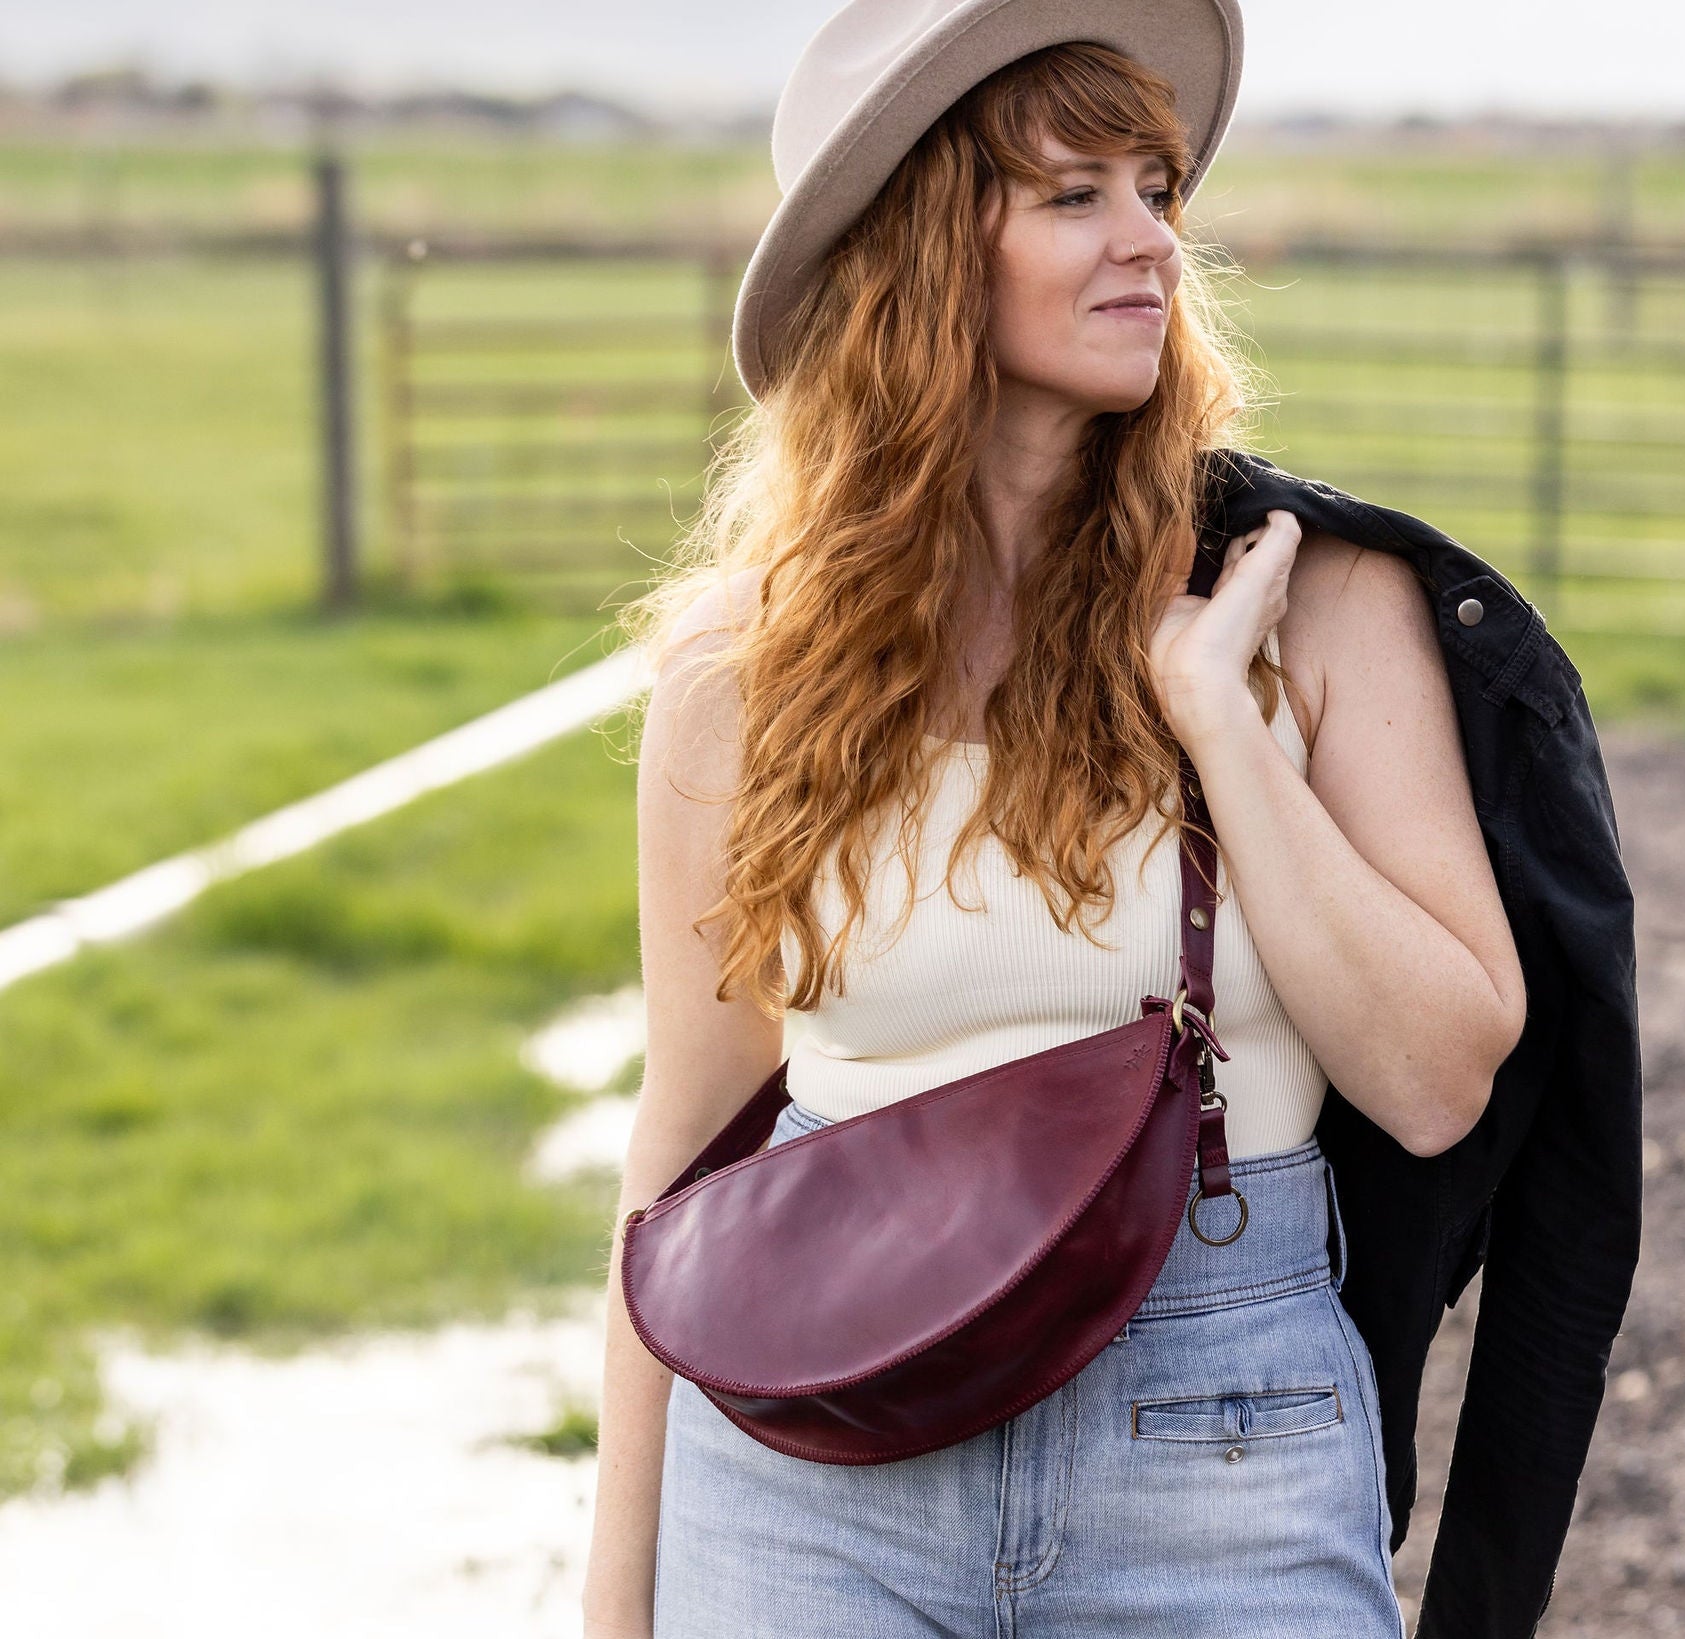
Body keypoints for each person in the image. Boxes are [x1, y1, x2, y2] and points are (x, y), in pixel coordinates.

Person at [585, 4, 1527, 1635]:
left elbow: (1441, 1081)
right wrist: (618, 1605)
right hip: (806, 1472)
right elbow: (684, 1146)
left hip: (1216, 1440)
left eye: (1156, 189)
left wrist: (1218, 722)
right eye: (1074, 194)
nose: (1151, 241)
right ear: (921, 251)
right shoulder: (743, 678)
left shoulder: (1311, 607)